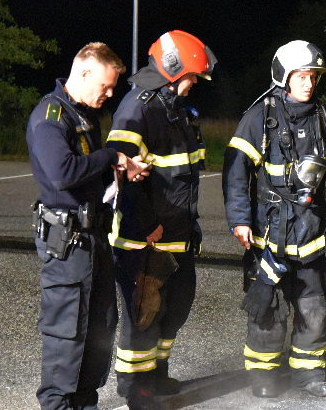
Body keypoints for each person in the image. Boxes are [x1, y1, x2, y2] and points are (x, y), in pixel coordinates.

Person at [222, 40, 326, 399]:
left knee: (312, 304)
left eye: (313, 77)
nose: (308, 83)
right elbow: (236, 172)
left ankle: (310, 373)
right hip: (269, 232)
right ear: (283, 76)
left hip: (312, 229)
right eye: (301, 76)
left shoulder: (325, 118)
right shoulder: (260, 117)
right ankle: (264, 375)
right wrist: (240, 220)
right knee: (267, 307)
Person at [27, 42, 150, 410]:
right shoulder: (51, 116)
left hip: (94, 237)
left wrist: (121, 173)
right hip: (67, 243)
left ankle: (84, 402)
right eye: (106, 86)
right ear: (83, 74)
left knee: (100, 326)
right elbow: (62, 173)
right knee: (68, 331)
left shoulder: (84, 116)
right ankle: (58, 404)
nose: (110, 94)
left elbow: (90, 177)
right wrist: (111, 155)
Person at [105, 30, 216, 410]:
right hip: (145, 239)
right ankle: (135, 386)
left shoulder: (178, 111)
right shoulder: (137, 107)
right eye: (192, 75)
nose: (195, 83)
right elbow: (122, 174)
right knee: (144, 314)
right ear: (172, 69)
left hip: (179, 233)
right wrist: (146, 223)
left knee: (175, 308)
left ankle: (156, 372)